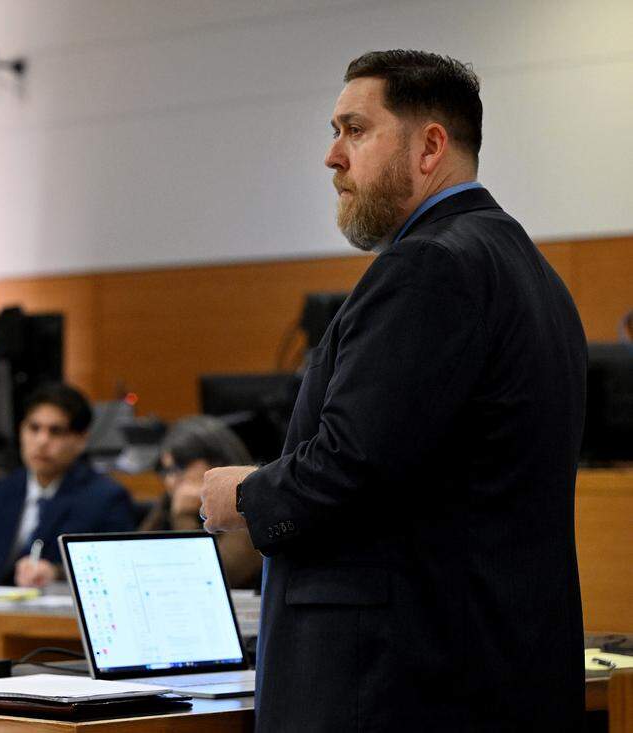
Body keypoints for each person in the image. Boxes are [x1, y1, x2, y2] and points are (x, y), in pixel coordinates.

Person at [199, 50, 586, 731]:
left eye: (355, 129)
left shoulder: (431, 266)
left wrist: (245, 496)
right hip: (486, 672)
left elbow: (354, 465)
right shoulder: (530, 271)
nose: (331, 156)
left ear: (430, 145)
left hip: (397, 686)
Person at [0, 382, 136, 587]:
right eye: (34, 428)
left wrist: (57, 573)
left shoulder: (105, 499)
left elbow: (115, 570)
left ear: (81, 440)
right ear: (21, 431)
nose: (42, 441)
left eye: (56, 431)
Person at [138, 415, 262, 590]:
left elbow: (207, 578)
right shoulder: (172, 498)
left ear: (217, 463)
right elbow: (137, 553)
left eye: (179, 468)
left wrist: (183, 517)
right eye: (167, 471)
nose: (171, 481)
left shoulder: (246, 504)